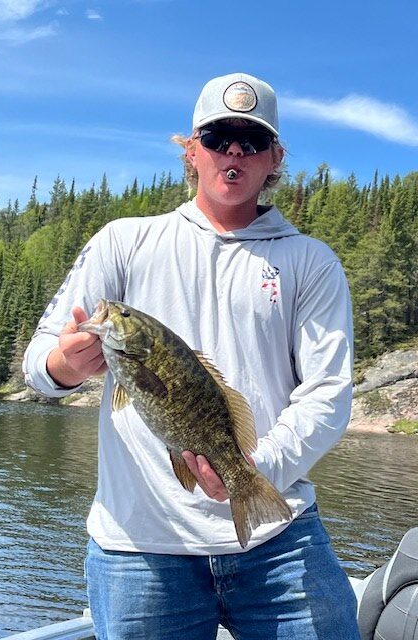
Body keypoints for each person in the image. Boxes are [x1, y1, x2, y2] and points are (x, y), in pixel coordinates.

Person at [23, 72, 360, 639]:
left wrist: (255, 471)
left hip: (281, 540)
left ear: (274, 157)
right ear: (190, 150)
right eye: (217, 136)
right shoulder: (122, 241)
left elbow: (329, 391)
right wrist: (64, 367)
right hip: (139, 547)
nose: (233, 151)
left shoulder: (311, 261)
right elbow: (39, 362)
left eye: (251, 141)